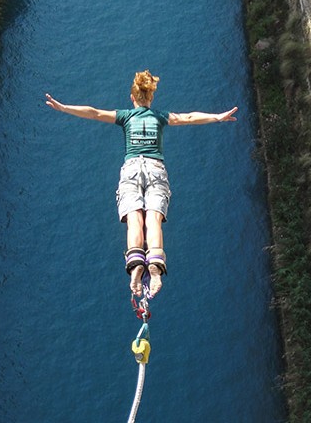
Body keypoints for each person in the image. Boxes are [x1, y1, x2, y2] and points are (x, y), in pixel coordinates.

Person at [45, 70, 237, 297]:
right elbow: (188, 117)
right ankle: (154, 266)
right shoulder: (159, 116)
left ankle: (136, 265)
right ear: (151, 98)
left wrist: (65, 107)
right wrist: (217, 117)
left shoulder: (126, 117)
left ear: (132, 98)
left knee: (134, 219)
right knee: (153, 218)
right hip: (155, 169)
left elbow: (94, 113)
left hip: (132, 170)